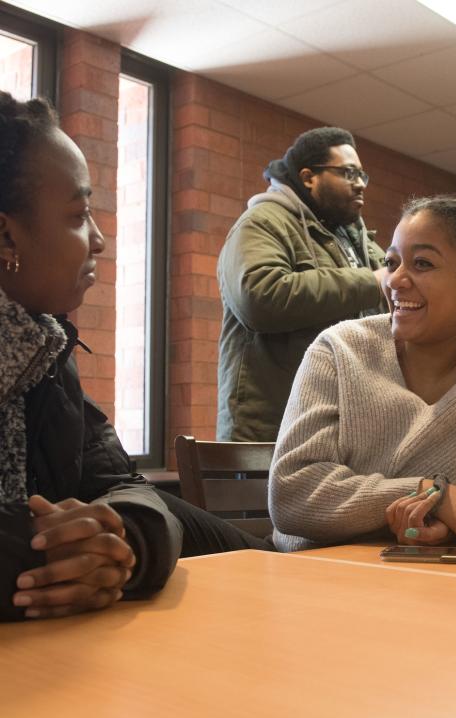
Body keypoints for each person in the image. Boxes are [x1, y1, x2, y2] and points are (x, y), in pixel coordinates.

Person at [0, 92, 262, 622]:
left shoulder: (44, 351)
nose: (98, 240)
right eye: (78, 214)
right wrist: (49, 551)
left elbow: (125, 487)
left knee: (263, 579)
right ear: (6, 235)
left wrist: (122, 544)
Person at [269, 196, 456, 552]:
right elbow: (293, 495)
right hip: (308, 575)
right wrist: (433, 494)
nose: (395, 280)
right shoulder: (338, 348)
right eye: (391, 263)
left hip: (439, 585)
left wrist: (447, 527)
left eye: (422, 263)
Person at [217, 126, 386, 443]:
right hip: (271, 432)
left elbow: (397, 283)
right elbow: (258, 297)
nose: (360, 184)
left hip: (340, 426)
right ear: (309, 177)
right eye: (348, 173)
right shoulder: (264, 222)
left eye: (363, 175)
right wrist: (370, 282)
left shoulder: (356, 240)